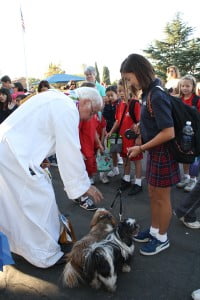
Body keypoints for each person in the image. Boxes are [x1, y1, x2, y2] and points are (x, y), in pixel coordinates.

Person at [0, 87, 103, 268]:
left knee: (14, 205)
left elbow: (37, 131)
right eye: (92, 112)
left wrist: (40, 157)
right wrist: (83, 185)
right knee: (40, 201)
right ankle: (44, 255)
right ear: (86, 101)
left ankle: (22, 246)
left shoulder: (57, 99)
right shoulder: (68, 108)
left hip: (11, 151)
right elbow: (69, 150)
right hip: (14, 155)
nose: (89, 117)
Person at [120, 53, 180, 256]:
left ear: (139, 72)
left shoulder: (156, 94)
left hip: (162, 152)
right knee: (153, 194)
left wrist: (141, 148)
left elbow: (168, 132)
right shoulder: (148, 93)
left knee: (162, 197)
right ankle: (155, 231)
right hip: (155, 152)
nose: (129, 83)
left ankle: (162, 238)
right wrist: (139, 127)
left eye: (129, 78)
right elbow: (155, 122)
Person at [176, 75, 200, 192]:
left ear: (193, 86)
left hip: (194, 133)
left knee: (193, 156)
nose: (185, 88)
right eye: (183, 86)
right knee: (184, 154)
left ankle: (193, 179)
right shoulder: (179, 100)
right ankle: (185, 177)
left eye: (187, 86)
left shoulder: (197, 100)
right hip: (182, 132)